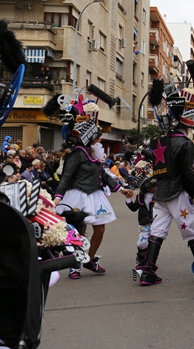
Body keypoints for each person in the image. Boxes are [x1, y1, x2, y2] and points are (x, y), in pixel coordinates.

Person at [140, 85, 194, 286]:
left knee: (157, 230)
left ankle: (147, 270)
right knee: (191, 231)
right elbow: (188, 173)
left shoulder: (162, 140)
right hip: (178, 193)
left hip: (161, 193)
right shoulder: (185, 143)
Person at [55, 103, 132, 279]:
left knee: (100, 229)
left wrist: (121, 189)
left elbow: (103, 176)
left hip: (95, 196)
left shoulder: (95, 155)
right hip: (77, 195)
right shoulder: (77, 154)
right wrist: (58, 197)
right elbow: (66, 176)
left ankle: (89, 260)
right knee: (78, 231)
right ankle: (75, 265)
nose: (100, 140)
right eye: (97, 137)